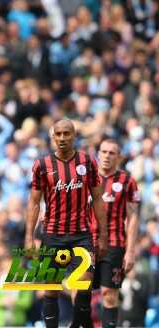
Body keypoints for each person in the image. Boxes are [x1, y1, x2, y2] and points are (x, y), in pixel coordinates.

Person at [25, 119, 108, 328]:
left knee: (83, 289)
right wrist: (29, 237)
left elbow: (98, 198)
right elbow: (34, 203)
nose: (62, 138)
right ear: (53, 137)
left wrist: (103, 235)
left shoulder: (87, 162)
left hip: (81, 235)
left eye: (66, 134)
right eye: (58, 134)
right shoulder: (41, 165)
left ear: (74, 135)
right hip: (52, 236)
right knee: (50, 291)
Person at [88, 139, 140, 328]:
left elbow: (133, 217)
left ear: (118, 157)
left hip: (114, 244)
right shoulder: (85, 179)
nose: (107, 156)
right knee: (80, 293)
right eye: (104, 151)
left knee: (109, 295)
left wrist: (131, 250)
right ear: (98, 154)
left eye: (112, 153)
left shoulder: (127, 181)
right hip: (85, 245)